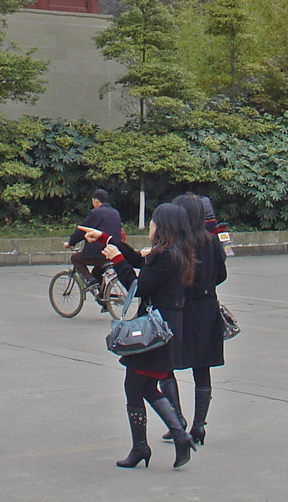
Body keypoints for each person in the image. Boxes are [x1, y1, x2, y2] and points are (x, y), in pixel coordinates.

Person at [92, 202, 197, 469]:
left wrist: (116, 260)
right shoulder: (175, 252)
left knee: (135, 386)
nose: (149, 225)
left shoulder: (165, 256)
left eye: (152, 221)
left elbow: (137, 287)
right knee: (146, 386)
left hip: (154, 332)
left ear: (163, 227)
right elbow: (139, 259)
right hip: (164, 329)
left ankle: (147, 445)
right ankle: (175, 435)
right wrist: (107, 239)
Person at [160, 192, 228, 446]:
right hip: (207, 309)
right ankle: (200, 424)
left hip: (180, 310)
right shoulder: (212, 242)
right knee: (203, 368)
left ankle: (177, 421)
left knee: (166, 366)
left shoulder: (177, 244)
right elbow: (221, 274)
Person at [64, 189, 122, 299]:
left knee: (75, 258)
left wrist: (70, 243)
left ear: (95, 201)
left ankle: (89, 280)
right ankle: (103, 297)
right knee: (97, 271)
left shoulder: (95, 213)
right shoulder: (115, 213)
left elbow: (82, 230)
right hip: (113, 252)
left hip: (98, 253)